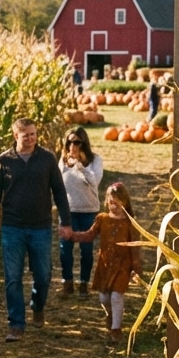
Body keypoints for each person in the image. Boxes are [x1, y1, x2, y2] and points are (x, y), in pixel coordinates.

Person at [0, 118, 72, 343]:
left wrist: (65, 221)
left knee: (43, 275)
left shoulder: (47, 159)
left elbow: (59, 192)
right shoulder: (4, 161)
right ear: (16, 136)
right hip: (12, 227)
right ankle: (16, 325)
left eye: (33, 134)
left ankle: (37, 305)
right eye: (26, 135)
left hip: (40, 226)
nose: (31, 138)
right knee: (13, 277)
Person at [72, 181, 143, 339]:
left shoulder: (130, 222)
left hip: (122, 265)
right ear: (107, 202)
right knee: (104, 297)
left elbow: (135, 248)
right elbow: (90, 235)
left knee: (117, 296)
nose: (114, 206)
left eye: (118, 202)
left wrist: (136, 268)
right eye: (111, 202)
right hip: (105, 264)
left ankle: (116, 329)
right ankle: (110, 315)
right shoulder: (102, 219)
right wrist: (73, 235)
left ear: (124, 202)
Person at [57, 127, 103, 298]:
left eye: (77, 142)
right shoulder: (62, 160)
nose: (72, 145)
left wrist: (80, 165)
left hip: (88, 211)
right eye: (69, 142)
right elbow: (58, 185)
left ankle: (84, 283)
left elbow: (94, 181)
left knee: (86, 249)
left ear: (84, 143)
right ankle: (67, 283)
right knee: (65, 249)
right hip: (68, 211)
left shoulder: (95, 160)